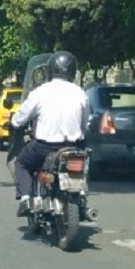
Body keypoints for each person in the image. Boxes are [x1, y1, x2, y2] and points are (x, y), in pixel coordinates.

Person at [9, 51, 89, 216]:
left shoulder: (40, 92)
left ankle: (25, 199)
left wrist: (14, 123)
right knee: (84, 163)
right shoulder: (80, 93)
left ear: (51, 69)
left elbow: (20, 118)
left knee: (21, 164)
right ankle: (81, 194)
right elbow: (84, 123)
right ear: (72, 71)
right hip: (72, 147)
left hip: (44, 147)